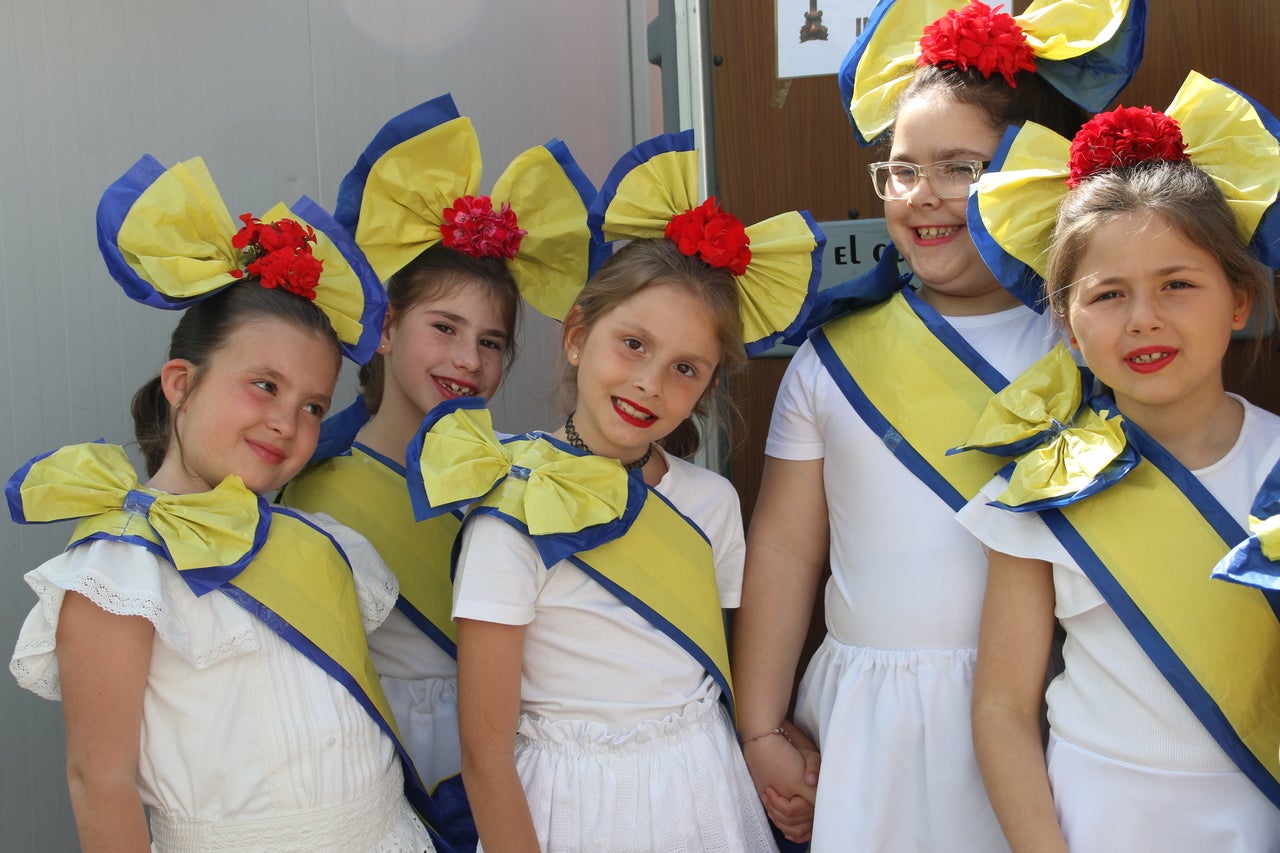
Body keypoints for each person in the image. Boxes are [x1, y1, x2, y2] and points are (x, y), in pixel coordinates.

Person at [731, 0, 1147, 849]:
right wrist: (760, 726)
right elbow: (783, 550)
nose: (924, 197)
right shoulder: (828, 360)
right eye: (902, 169)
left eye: (961, 168)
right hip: (867, 721)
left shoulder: (1083, 343)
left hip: (1047, 712)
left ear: (1035, 172)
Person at [7, 155, 442, 852]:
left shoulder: (321, 541)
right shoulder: (118, 572)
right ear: (180, 381)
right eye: (263, 385)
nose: (286, 421)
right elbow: (100, 782)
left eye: (312, 405)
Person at [406, 130, 823, 852]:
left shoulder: (714, 503)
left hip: (703, 790)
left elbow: (716, 668)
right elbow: (484, 752)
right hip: (570, 805)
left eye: (685, 368)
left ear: (708, 388)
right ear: (576, 334)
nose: (649, 382)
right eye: (633, 343)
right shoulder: (509, 511)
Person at [956, 72, 1280, 852]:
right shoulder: (1040, 483)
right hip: (1093, 816)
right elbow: (1001, 705)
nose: (1145, 320)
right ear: (1067, 323)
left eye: (1178, 285)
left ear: (1238, 302)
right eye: (1108, 295)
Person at [277, 94, 599, 826]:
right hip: (375, 765)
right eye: (445, 327)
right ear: (386, 328)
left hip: (510, 764)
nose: (467, 359)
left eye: (490, 342)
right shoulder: (312, 485)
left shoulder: (513, 478)